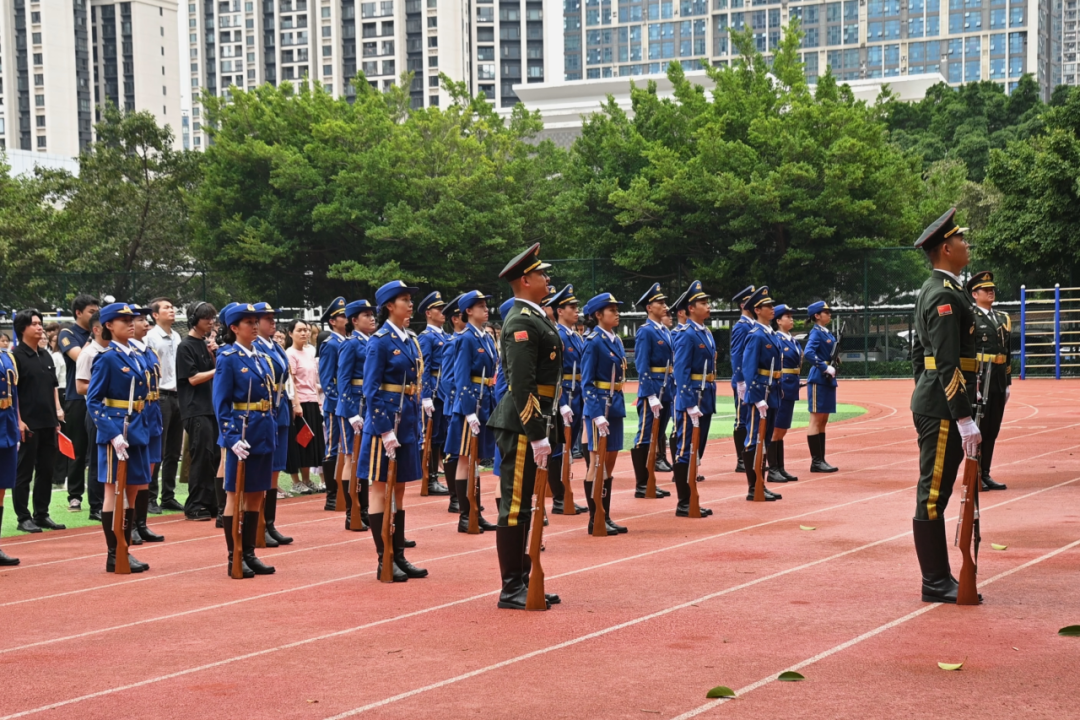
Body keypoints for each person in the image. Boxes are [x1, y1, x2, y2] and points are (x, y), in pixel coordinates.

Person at [910, 207, 980, 604]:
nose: (966, 244)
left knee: (938, 489)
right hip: (942, 408)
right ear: (946, 249)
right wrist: (964, 416)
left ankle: (938, 576)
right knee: (934, 492)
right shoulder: (942, 294)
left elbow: (918, 357)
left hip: (938, 401)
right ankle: (934, 580)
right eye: (961, 239)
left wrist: (926, 388)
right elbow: (946, 362)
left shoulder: (942, 289)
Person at [487, 244, 562, 610]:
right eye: (541, 273)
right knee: (515, 504)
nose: (547, 278)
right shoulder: (520, 321)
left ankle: (524, 579)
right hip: (521, 424)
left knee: (527, 503)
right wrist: (536, 434)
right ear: (526, 280)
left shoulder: (535, 316)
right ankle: (511, 586)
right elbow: (521, 383)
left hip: (536, 418)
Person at [357, 280, 427, 582]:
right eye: (404, 300)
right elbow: (371, 390)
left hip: (406, 420)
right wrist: (384, 430)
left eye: (410, 299)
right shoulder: (380, 341)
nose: (410, 304)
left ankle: (398, 555)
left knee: (399, 489)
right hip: (385, 424)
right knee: (381, 488)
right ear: (389, 306)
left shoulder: (409, 339)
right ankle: (383, 557)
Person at [86, 303, 152, 573]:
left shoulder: (136, 354)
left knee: (133, 490)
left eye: (131, 319)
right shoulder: (107, 357)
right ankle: (114, 553)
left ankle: (125, 547)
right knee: (113, 491)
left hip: (137, 428)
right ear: (109, 326)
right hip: (117, 430)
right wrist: (112, 434)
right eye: (123, 320)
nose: (130, 324)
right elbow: (93, 401)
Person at [214, 303, 277, 579]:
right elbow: (221, 403)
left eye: (255, 321)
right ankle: (235, 556)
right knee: (235, 494)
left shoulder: (260, 356)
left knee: (256, 493)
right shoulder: (228, 358)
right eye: (248, 322)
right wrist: (230, 437)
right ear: (234, 328)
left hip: (262, 429)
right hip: (242, 432)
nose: (254, 326)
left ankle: (249, 553)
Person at [447, 290, 499, 534]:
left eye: (486, 305)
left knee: (475, 460)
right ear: (468, 311)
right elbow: (461, 377)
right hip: (471, 405)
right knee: (465, 458)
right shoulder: (466, 338)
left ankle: (475, 511)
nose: (486, 309)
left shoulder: (486, 337)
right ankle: (466, 515)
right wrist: (468, 411)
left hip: (485, 401)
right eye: (480, 306)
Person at [12, 309, 66, 533]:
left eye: (40, 323)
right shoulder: (15, 357)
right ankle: (23, 517)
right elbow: (13, 392)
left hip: (48, 421)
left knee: (46, 470)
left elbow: (53, 387)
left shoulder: (45, 355)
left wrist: (57, 413)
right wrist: (18, 420)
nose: (39, 327)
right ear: (22, 328)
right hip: (27, 423)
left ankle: (41, 514)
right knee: (24, 471)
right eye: (34, 323)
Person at [580, 292, 629, 535]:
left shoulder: (615, 339)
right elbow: (587, 382)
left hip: (615, 403)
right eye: (612, 310)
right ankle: (595, 517)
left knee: (609, 462)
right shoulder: (593, 341)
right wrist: (596, 414)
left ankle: (605, 515)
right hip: (599, 406)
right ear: (598, 315)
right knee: (596, 462)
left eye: (617, 309)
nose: (617, 313)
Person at [669, 281, 719, 516]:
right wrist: (689, 403)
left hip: (705, 395)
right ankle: (684, 502)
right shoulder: (686, 334)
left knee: (697, 449)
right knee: (685, 449)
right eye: (703, 303)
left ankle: (692, 498)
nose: (708, 306)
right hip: (693, 398)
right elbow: (681, 371)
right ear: (690, 308)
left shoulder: (705, 332)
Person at [545, 284, 588, 515]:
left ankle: (565, 493)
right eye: (571, 307)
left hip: (577, 392)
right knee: (560, 447)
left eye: (576, 306)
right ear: (559, 311)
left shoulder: (575, 336)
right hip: (565, 394)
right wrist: (560, 403)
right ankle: (560, 497)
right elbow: (553, 373)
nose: (576, 310)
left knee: (568, 447)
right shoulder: (558, 335)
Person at [255, 303, 295, 546]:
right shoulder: (255, 346)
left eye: (273, 318)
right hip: (265, 409)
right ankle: (259, 523)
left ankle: (269, 522)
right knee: (264, 468)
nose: (273, 323)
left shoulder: (275, 346)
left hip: (280, 409)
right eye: (267, 319)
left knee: (275, 468)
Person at [631, 283, 675, 499]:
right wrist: (649, 394)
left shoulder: (664, 330)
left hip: (666, 388)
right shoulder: (645, 331)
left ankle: (650, 481)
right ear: (649, 307)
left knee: (657, 435)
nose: (665, 306)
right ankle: (642, 484)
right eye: (660, 303)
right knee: (645, 436)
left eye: (665, 302)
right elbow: (642, 365)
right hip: (653, 389)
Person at [967, 271, 1010, 492]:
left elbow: (1007, 352)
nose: (990, 292)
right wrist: (970, 383)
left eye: (992, 289)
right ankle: (974, 473)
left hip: (998, 379)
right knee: (979, 428)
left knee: (992, 429)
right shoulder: (970, 317)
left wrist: (1008, 382)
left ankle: (985, 472)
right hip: (980, 379)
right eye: (985, 289)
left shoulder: (1002, 318)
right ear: (975, 294)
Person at [176, 301, 219, 522]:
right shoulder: (185, 346)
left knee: (214, 455)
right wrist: (218, 368)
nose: (211, 322)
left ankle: (211, 501)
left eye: (212, 318)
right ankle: (195, 504)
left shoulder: (206, 344)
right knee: (202, 455)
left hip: (210, 407)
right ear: (194, 320)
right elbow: (192, 378)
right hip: (195, 408)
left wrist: (215, 356)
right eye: (206, 318)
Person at [336, 299, 376, 532]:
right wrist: (351, 413)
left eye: (372, 314)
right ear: (354, 320)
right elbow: (343, 380)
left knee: (363, 459)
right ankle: (352, 512)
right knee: (351, 456)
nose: (372, 318)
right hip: (353, 406)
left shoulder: (372, 341)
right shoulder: (350, 344)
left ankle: (364, 509)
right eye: (366, 315)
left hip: (367, 405)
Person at [740, 286, 783, 502]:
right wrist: (757, 398)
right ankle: (753, 486)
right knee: (754, 438)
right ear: (757, 310)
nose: (772, 308)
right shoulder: (755, 335)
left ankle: (761, 483)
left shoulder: (770, 333)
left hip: (772, 391)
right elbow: (749, 369)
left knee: (765, 439)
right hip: (761, 394)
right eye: (767, 306)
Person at [58, 294, 99, 512]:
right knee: (77, 448)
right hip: (76, 397)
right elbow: (80, 357)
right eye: (92, 312)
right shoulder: (68, 333)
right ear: (78, 313)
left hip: (98, 396)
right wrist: (94, 337)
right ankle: (75, 495)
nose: (96, 315)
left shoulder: (101, 332)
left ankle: (98, 496)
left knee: (97, 447)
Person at [128, 311, 165, 545]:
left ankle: (141, 524)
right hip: (136, 413)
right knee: (135, 472)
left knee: (148, 471)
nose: (146, 324)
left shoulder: (149, 352)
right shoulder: (126, 352)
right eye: (139, 320)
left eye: (145, 319)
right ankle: (130, 524)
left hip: (153, 411)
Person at [147, 298, 185, 513]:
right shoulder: (150, 337)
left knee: (173, 450)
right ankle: (150, 497)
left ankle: (168, 495)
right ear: (155, 314)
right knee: (158, 449)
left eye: (172, 307)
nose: (171, 310)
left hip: (177, 394)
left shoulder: (177, 336)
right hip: (160, 395)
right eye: (166, 308)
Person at [416, 292, 451, 497]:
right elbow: (424, 368)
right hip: (435, 392)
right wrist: (426, 396)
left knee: (440, 436)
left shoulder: (445, 336)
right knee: (431, 436)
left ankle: (436, 476)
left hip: (445, 392)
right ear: (429, 313)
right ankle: (429, 479)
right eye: (439, 309)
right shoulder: (426, 337)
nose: (443, 312)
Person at [74, 311, 107, 521]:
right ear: (96, 329)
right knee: (97, 459)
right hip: (96, 410)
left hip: (115, 412)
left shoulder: (113, 351)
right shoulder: (89, 354)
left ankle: (108, 502)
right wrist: (106, 387)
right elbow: (80, 386)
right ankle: (96, 506)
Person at [285, 319, 324, 493]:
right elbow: (291, 381)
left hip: (312, 402)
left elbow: (313, 380)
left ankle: (307, 479)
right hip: (300, 404)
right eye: (299, 330)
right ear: (290, 333)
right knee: (299, 442)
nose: (304, 333)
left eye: (306, 330)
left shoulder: (310, 352)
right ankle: (296, 481)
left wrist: (318, 401)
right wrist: (296, 404)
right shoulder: (290, 354)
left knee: (309, 443)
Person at [803, 301, 840, 472]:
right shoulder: (816, 333)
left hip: (827, 379)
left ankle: (821, 459)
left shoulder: (826, 332)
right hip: (819, 377)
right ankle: (816, 461)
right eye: (826, 312)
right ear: (817, 316)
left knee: (823, 420)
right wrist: (824, 366)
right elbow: (809, 353)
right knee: (816, 419)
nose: (829, 314)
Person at [318, 297, 348, 511]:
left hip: (347, 403)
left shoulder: (347, 341)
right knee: (333, 448)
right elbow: (327, 380)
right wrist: (338, 403)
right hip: (335, 405)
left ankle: (345, 492)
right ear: (332, 321)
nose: (347, 319)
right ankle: (332, 495)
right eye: (342, 316)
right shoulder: (330, 344)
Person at [438, 295, 467, 514]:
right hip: (455, 404)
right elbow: (447, 380)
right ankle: (455, 497)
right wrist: (458, 401)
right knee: (454, 452)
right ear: (455, 319)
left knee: (467, 452)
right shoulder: (452, 342)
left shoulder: (471, 339)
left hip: (468, 402)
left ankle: (466, 496)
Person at [767, 304, 801, 483]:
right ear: (779, 321)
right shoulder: (777, 339)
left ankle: (780, 467)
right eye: (787, 316)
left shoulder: (792, 340)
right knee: (776, 429)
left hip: (791, 385)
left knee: (782, 429)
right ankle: (773, 469)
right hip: (782, 385)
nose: (791, 319)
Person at [729, 286, 756, 474]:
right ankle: (741, 458)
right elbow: (737, 354)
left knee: (752, 418)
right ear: (743, 305)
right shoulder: (742, 326)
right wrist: (740, 381)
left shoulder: (753, 325)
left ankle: (750, 455)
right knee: (742, 419)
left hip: (754, 379)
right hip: (744, 381)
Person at [0, 338, 22, 564]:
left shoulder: (7, 357)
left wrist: (17, 423)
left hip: (6, 428)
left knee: (1, 487)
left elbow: (14, 396)